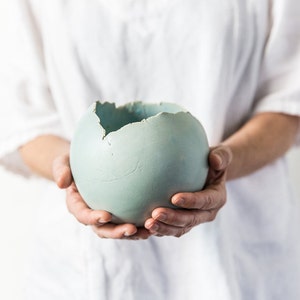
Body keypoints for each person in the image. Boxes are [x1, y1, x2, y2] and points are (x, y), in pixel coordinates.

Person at [1, 0, 300, 299]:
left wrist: (222, 163)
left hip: (241, 249)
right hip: (79, 268)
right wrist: (72, 169)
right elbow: (24, 118)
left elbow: (286, 101)